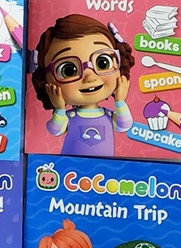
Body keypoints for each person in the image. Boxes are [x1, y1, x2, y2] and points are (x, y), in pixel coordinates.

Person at [30, 14, 134, 157]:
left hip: (104, 167)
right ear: (45, 80)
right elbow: (55, 130)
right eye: (68, 70)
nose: (90, 77)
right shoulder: (70, 117)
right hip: (70, 167)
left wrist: (120, 101)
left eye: (103, 63)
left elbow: (124, 125)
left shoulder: (108, 116)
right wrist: (60, 109)